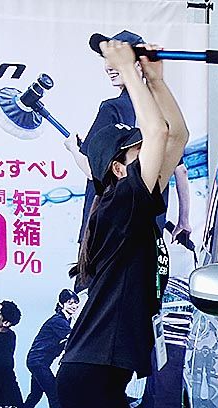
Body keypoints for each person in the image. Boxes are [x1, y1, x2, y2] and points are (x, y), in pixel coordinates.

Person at [46, 37, 189, 408]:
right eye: (135, 150)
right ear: (120, 167)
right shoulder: (126, 201)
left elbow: (174, 135)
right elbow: (160, 137)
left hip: (88, 374)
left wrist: (153, 78)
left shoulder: (126, 204)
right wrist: (129, 72)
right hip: (92, 376)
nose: (148, 152)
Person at [63, 28, 191, 247]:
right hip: (150, 232)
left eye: (116, 60)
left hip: (108, 231)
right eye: (107, 60)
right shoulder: (162, 110)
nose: (108, 67)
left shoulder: (112, 109)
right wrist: (184, 220)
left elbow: (93, 171)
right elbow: (180, 165)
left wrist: (73, 148)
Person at [24, 287, 79, 408]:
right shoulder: (59, 321)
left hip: (39, 361)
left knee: (34, 395)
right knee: (55, 396)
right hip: (38, 362)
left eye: (75, 303)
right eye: (69, 303)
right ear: (61, 304)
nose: (73, 306)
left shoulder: (65, 320)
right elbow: (74, 339)